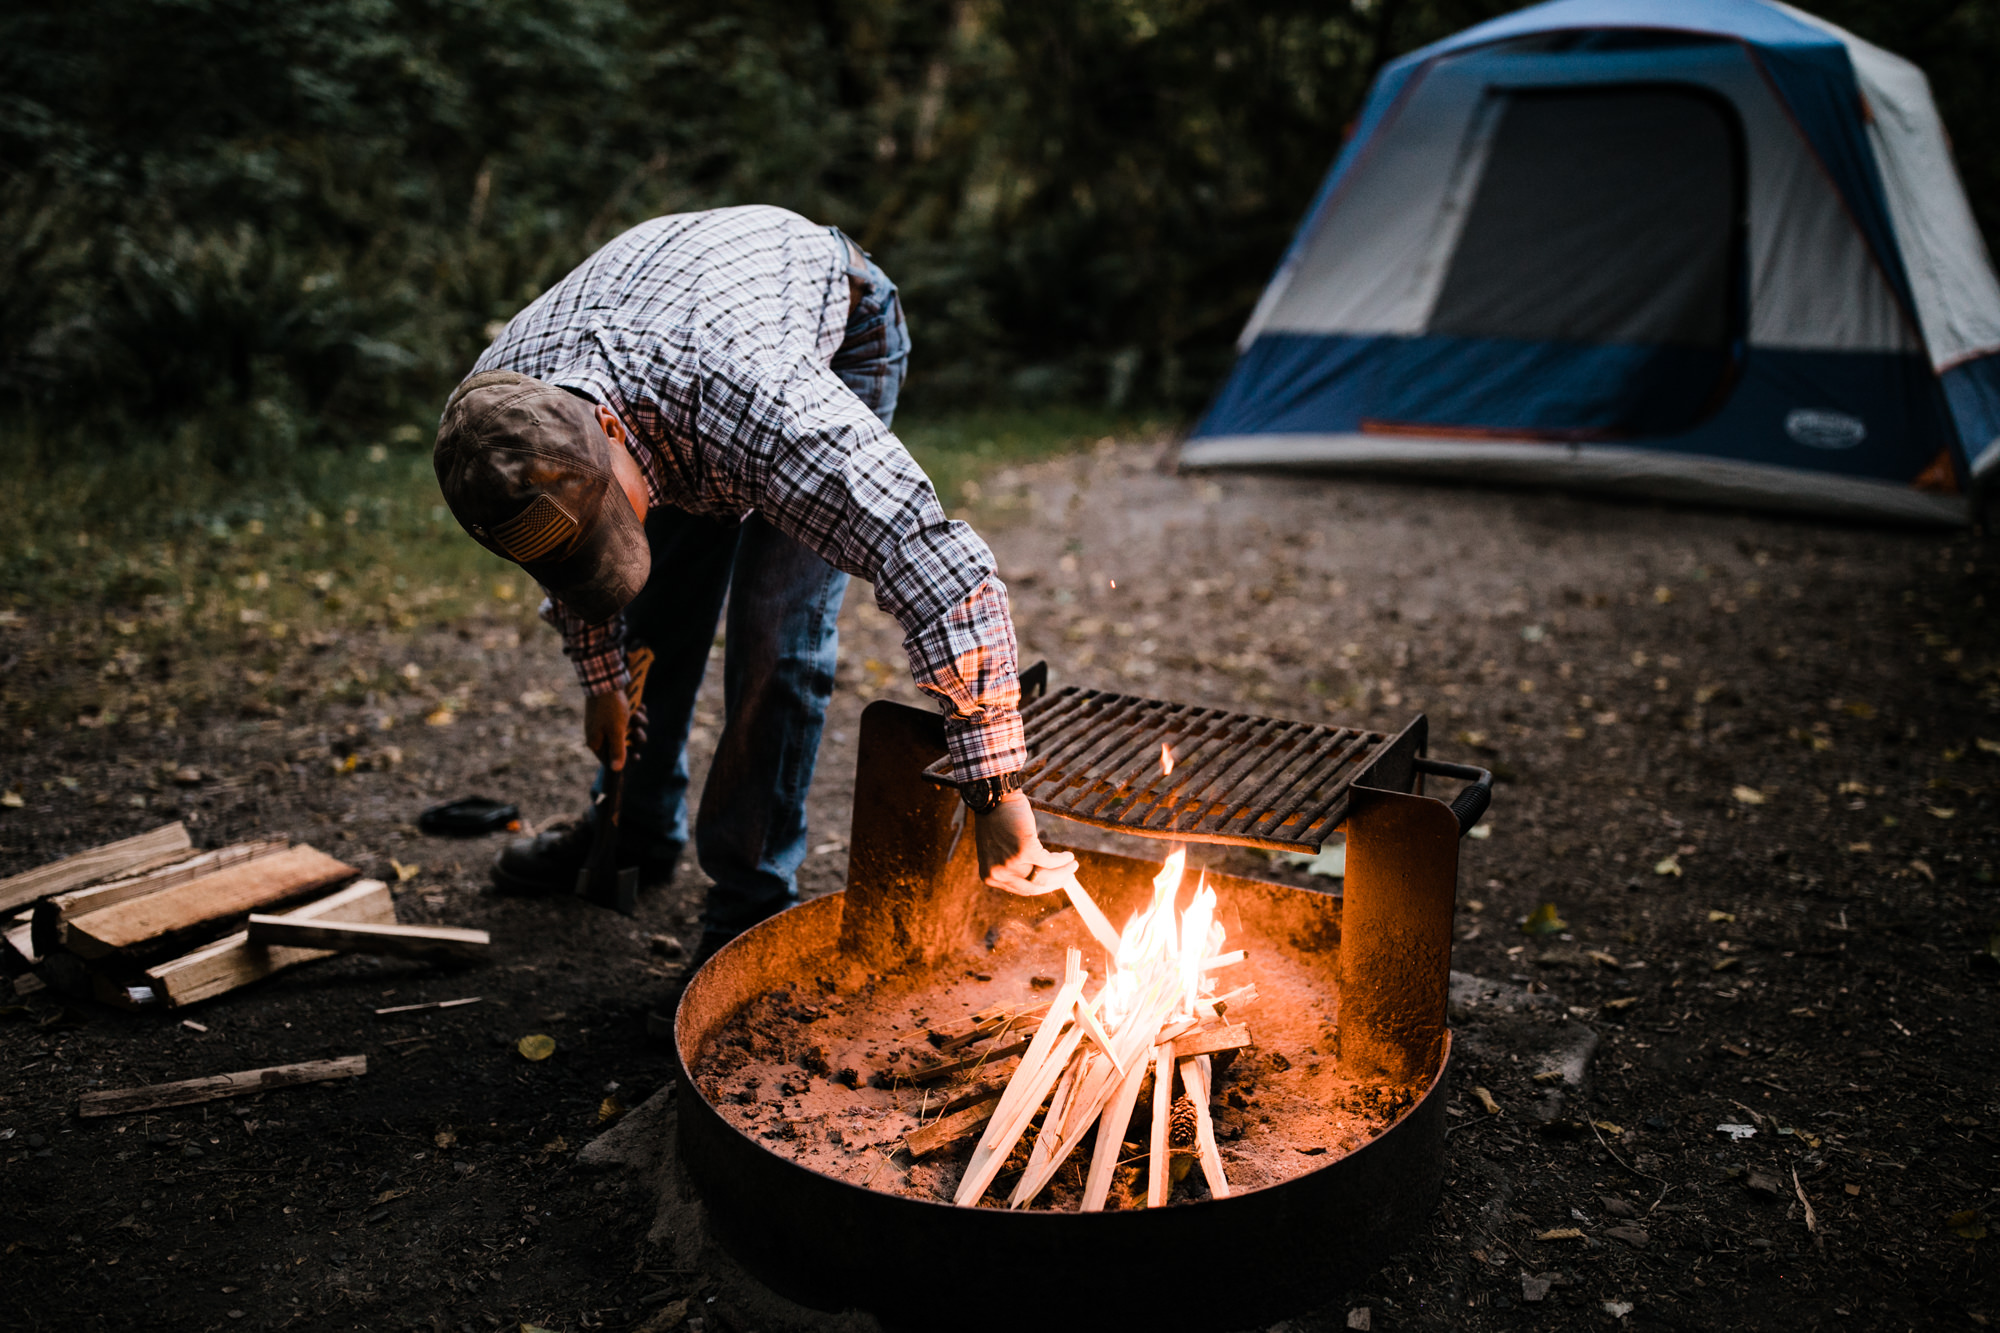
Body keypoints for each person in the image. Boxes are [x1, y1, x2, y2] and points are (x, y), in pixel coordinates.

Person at [431, 205, 1075, 964]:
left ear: (609, 430)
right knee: (659, 612)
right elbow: (565, 554)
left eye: (610, 516)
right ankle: (636, 828)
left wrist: (994, 786)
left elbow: (934, 560)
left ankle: (748, 902)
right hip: (678, 350)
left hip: (827, 335)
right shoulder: (496, 426)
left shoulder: (764, 406)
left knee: (779, 633)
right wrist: (604, 679)